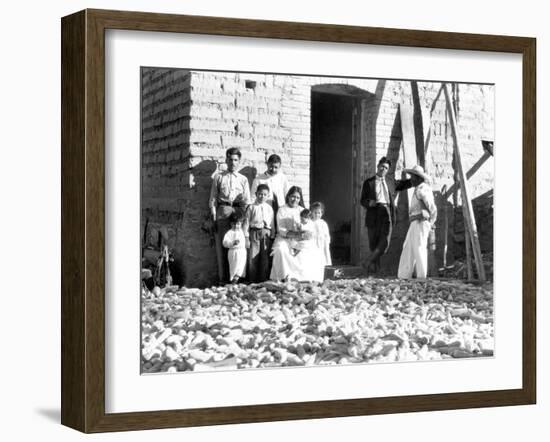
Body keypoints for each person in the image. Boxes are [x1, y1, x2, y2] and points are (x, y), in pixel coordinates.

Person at [360, 156, 413, 273]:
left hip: (387, 213)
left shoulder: (390, 182)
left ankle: (368, 261)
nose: (383, 169)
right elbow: (362, 200)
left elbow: (403, 185)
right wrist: (369, 203)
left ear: (388, 170)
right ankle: (374, 271)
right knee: (374, 243)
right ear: (378, 166)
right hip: (374, 213)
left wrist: (415, 179)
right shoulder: (369, 183)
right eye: (382, 166)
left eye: (386, 168)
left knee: (384, 242)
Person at [209, 147, 251, 283]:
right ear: (226, 160)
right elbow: (213, 199)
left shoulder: (243, 179)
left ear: (239, 161)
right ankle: (223, 280)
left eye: (236, 160)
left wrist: (244, 220)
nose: (233, 162)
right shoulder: (219, 177)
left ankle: (236, 280)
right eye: (230, 159)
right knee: (223, 246)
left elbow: (247, 201)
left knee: (238, 247)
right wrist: (214, 217)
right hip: (223, 211)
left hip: (238, 213)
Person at [397, 165, 437, 279]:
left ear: (418, 178)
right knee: (408, 246)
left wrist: (431, 222)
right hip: (415, 221)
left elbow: (432, 208)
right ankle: (404, 275)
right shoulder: (418, 188)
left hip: (421, 222)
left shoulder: (423, 189)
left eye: (413, 177)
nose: (411, 179)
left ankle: (421, 277)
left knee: (419, 248)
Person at [269, 186, 305, 281]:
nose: (295, 199)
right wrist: (293, 234)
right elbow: (281, 229)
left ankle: (299, 277)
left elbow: (307, 226)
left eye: (297, 197)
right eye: (293, 196)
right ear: (288, 196)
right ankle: (284, 276)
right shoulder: (282, 210)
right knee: (281, 250)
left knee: (304, 250)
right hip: (284, 238)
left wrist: (302, 232)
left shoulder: (302, 210)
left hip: (299, 239)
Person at [243, 183, 275, 283]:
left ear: (268, 196)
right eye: (260, 194)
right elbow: (246, 222)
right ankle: (252, 280)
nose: (262, 196)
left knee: (264, 258)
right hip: (254, 233)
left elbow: (272, 222)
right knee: (253, 257)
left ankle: (263, 280)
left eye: (265, 194)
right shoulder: (251, 207)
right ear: (256, 194)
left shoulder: (269, 208)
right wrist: (246, 237)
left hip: (266, 233)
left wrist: (272, 234)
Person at [222, 213, 247, 284]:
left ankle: (238, 281)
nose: (236, 226)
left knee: (241, 267)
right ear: (231, 224)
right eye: (234, 224)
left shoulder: (242, 231)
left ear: (241, 224)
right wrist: (232, 243)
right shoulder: (230, 232)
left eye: (238, 224)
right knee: (234, 267)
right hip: (234, 252)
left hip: (242, 251)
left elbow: (246, 224)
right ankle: (233, 282)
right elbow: (225, 242)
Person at [310, 201, 332, 268]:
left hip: (321, 243)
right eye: (315, 213)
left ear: (322, 213)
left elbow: (326, 235)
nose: (317, 215)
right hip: (312, 243)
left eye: (319, 213)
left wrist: (327, 242)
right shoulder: (310, 222)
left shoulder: (323, 223)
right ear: (311, 212)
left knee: (321, 258)